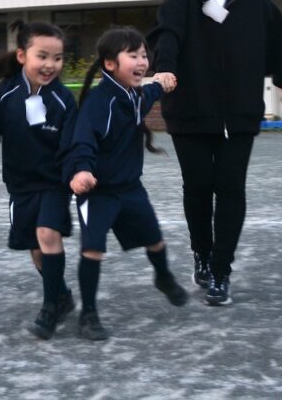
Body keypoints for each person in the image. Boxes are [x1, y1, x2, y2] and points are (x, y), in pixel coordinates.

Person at [147, 0, 282, 306]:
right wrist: (164, 68)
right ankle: (202, 255)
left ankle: (221, 271)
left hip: (239, 112)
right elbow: (168, 36)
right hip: (190, 110)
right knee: (199, 188)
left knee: (231, 188)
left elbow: (281, 48)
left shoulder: (255, 3)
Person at [60, 27, 187, 341]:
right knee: (92, 250)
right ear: (110, 64)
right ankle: (88, 314)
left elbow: (149, 93)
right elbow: (82, 141)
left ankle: (163, 276)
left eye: (144, 55)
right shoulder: (99, 103)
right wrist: (82, 171)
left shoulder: (134, 94)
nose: (142, 61)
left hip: (130, 188)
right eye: (133, 56)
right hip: (97, 192)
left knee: (155, 240)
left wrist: (160, 82)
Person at [0, 21, 77, 340]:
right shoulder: (7, 92)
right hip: (21, 186)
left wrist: (79, 172)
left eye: (57, 58)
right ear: (22, 56)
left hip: (55, 184)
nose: (50, 64)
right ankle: (62, 294)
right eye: (43, 56)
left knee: (47, 234)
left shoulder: (64, 99)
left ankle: (50, 307)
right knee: (36, 248)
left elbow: (73, 145)